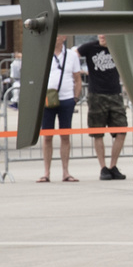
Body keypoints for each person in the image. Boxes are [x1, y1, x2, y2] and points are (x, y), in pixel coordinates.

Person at [76, 34, 129, 180]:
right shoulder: (90, 47)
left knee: (122, 129)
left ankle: (113, 166)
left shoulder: (115, 48)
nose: (102, 36)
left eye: (105, 33)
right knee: (97, 132)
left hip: (115, 94)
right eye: (100, 33)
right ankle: (103, 167)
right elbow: (74, 55)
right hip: (96, 95)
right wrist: (78, 71)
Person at [39, 36, 80, 182]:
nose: (55, 36)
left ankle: (65, 172)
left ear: (64, 37)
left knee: (65, 136)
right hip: (48, 99)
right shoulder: (44, 52)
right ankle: (46, 172)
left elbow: (77, 78)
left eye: (58, 34)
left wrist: (75, 98)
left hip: (67, 98)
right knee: (47, 136)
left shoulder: (71, 55)